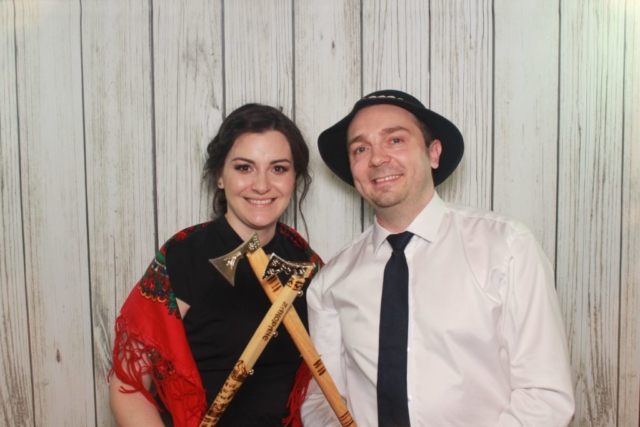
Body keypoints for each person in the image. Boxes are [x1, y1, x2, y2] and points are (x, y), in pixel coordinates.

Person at [300, 90, 575, 426]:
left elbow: (545, 395)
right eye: (360, 148)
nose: (377, 158)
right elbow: (323, 399)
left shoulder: (507, 248)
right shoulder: (331, 282)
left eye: (395, 140)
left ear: (433, 153)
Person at [109, 104, 322, 427]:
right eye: (244, 167)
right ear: (220, 176)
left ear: (294, 177)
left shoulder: (306, 263)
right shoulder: (184, 257)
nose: (261, 185)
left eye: (278, 168)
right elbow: (129, 386)